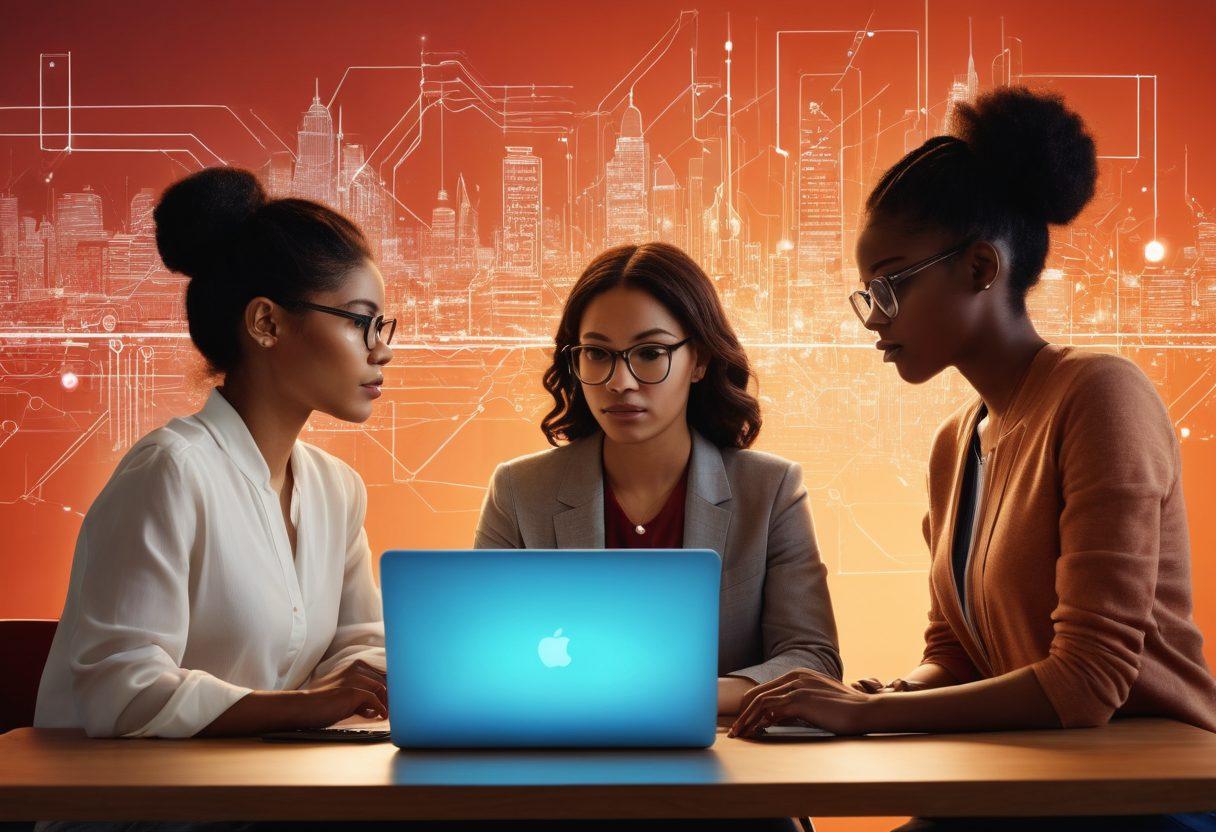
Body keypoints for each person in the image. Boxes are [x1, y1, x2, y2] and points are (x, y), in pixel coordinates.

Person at [728, 87, 1216, 831]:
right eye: (866, 295)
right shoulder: (957, 443)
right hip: (1023, 790)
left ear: (981, 267)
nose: (876, 320)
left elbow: (1087, 683)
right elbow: (956, 652)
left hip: (1143, 798)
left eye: (890, 285)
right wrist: (876, 696)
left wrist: (866, 720)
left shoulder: (1100, 396)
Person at [35, 167, 396, 739]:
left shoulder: (336, 489)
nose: (382, 351)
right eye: (359, 321)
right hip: (142, 810)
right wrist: (305, 706)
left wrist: (367, 683)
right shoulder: (170, 471)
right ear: (266, 322)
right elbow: (120, 690)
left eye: (384, 326)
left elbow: (363, 646)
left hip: (269, 792)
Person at [475, 241, 842, 718]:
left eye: (649, 353)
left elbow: (813, 662)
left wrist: (677, 696)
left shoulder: (771, 491)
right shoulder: (519, 492)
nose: (619, 382)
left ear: (702, 361)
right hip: (563, 755)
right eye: (597, 353)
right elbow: (481, 655)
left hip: (720, 762)